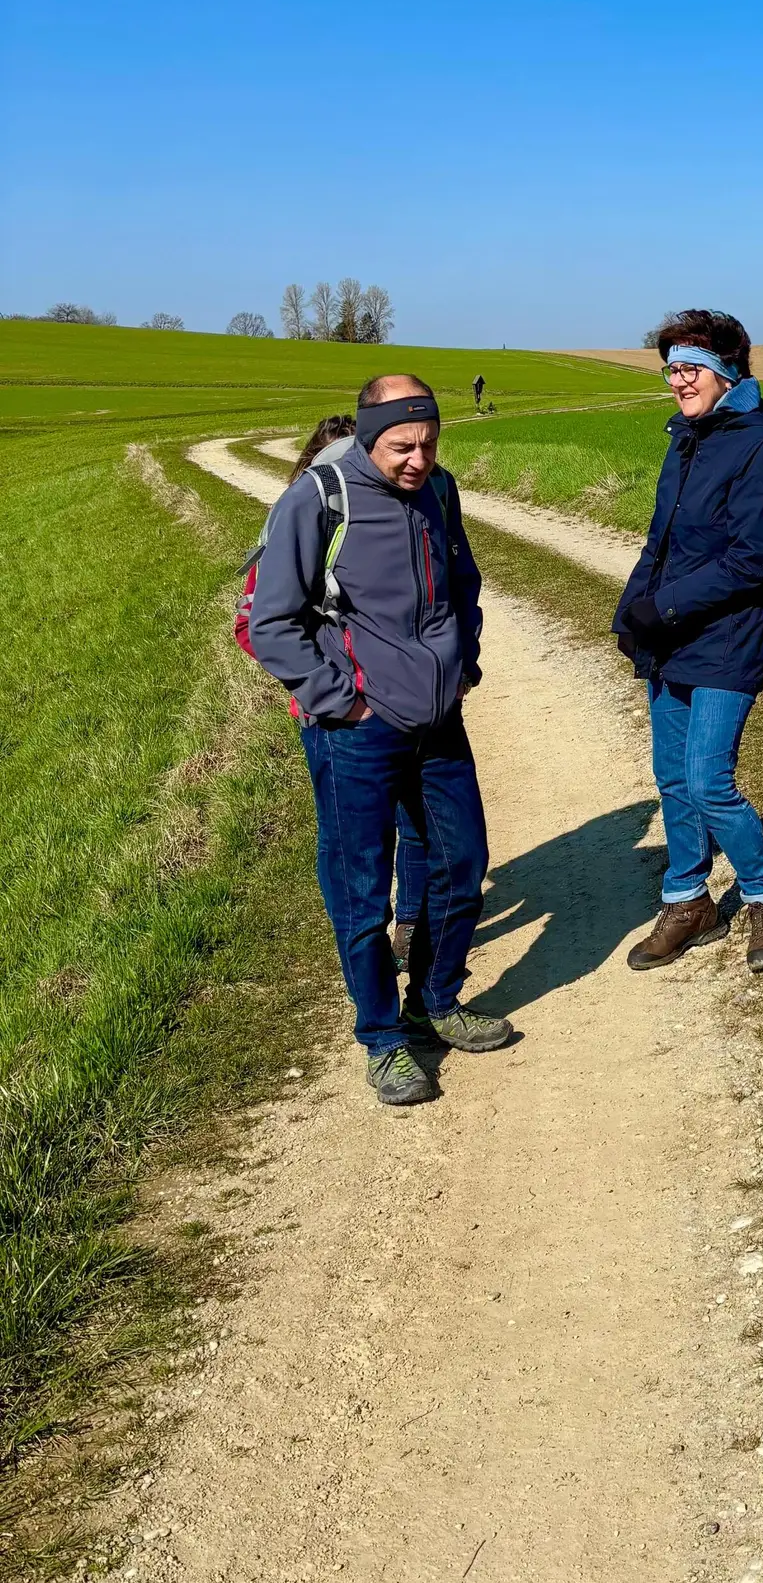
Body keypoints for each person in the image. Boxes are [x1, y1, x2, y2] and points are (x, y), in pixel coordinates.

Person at [249, 374, 504, 1106]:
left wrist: (465, 665)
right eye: (402, 446)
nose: (418, 459)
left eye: (428, 443)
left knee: (464, 864)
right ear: (368, 435)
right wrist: (342, 703)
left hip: (439, 722)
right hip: (357, 734)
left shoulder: (440, 491)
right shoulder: (318, 498)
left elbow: (464, 584)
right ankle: (383, 1038)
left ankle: (436, 998)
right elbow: (272, 622)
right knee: (362, 893)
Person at [614, 310, 763, 975]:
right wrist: (629, 613)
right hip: (674, 632)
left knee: (708, 778)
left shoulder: (762, 444)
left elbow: (754, 561)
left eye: (690, 367)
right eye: (670, 368)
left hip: (731, 631)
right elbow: (660, 541)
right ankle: (689, 900)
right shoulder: (688, 438)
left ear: (727, 371)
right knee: (672, 778)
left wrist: (659, 608)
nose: (678, 380)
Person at [283, 411, 434, 955]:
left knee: (415, 823)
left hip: (403, 706)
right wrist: (327, 688)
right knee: (359, 841)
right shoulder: (304, 518)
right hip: (340, 716)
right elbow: (255, 622)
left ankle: (412, 925)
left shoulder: (413, 508)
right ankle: (376, 930)